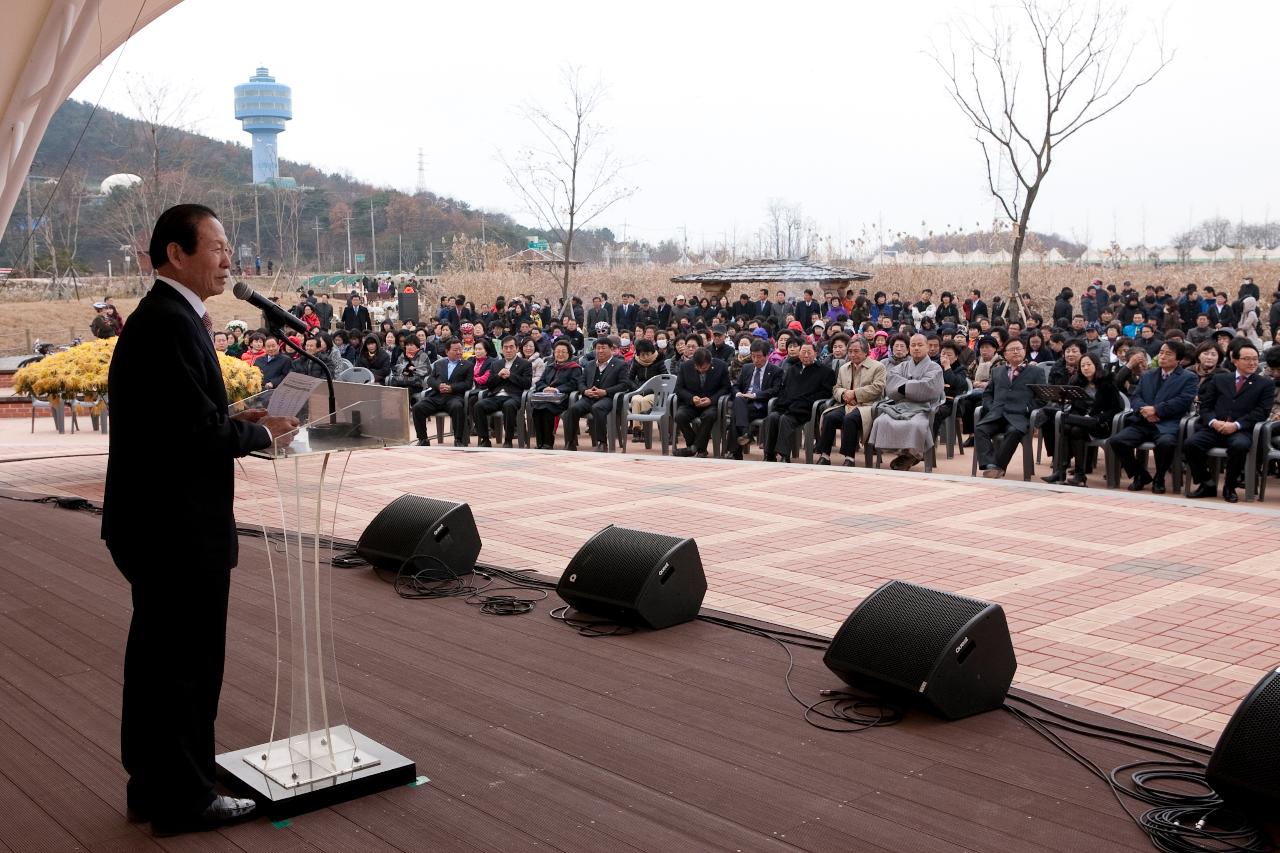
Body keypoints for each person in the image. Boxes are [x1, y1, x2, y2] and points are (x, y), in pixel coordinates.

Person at [102, 204, 298, 835]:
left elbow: (183, 415)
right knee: (186, 664)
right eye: (216, 246)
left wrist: (242, 419)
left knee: (157, 662)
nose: (227, 258)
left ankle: (153, 785)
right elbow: (190, 435)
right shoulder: (169, 323)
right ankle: (186, 798)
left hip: (155, 522)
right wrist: (259, 437)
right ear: (176, 254)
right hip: (176, 528)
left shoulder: (165, 318)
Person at [1184, 343, 1276, 502]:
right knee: (1191, 444)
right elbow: (1206, 406)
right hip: (1215, 427)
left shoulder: (1265, 384)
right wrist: (1213, 422)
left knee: (1239, 446)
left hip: (1242, 430)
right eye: (1247, 359)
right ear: (1235, 361)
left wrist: (1236, 425)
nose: (1252, 363)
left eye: (1255, 359)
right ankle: (1207, 483)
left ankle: (1230, 486)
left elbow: (1261, 412)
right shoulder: (1220, 379)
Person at [1107, 342, 1197, 493]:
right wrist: (1144, 411)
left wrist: (1156, 410)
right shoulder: (1149, 374)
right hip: (1143, 422)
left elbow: (1183, 401)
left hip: (1168, 423)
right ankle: (1140, 475)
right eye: (1161, 352)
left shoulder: (1189, 377)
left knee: (1166, 443)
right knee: (1117, 441)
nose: (1162, 356)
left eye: (1168, 354)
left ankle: (1159, 477)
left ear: (1179, 359)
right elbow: (1136, 397)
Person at [1041, 353, 1124, 487]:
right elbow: (1075, 406)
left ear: (1096, 365)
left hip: (1100, 424)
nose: (1085, 368)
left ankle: (1073, 474)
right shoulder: (1077, 382)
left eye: (1089, 364)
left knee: (1069, 424)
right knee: (1069, 428)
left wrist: (1097, 417)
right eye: (1083, 365)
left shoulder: (1107, 383)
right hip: (1080, 422)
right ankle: (1065, 473)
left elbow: (1117, 408)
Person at [867, 333, 945, 470]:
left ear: (927, 347)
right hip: (900, 406)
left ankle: (911, 455)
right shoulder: (902, 366)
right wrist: (913, 385)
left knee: (916, 425)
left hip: (923, 407)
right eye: (913, 345)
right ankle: (905, 455)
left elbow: (928, 387)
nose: (916, 348)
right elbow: (891, 383)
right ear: (909, 348)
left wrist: (904, 386)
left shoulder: (935, 368)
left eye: (920, 345)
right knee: (882, 421)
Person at [974, 338, 1047, 478]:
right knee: (980, 429)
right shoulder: (997, 371)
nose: (1015, 352)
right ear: (1005, 354)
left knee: (1013, 432)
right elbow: (987, 394)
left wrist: (1026, 409)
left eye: (1018, 349)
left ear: (1024, 351)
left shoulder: (1036, 372)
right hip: (997, 414)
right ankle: (990, 465)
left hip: (1019, 417)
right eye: (1011, 350)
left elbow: (1042, 399)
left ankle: (998, 466)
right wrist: (991, 407)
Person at [814, 337, 886, 466]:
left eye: (856, 351)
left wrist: (855, 394)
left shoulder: (878, 367)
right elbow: (836, 388)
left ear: (865, 352)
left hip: (867, 406)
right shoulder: (844, 368)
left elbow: (878, 388)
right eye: (850, 351)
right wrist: (843, 394)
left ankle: (849, 458)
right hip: (846, 404)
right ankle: (825, 455)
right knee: (829, 417)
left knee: (850, 419)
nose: (852, 354)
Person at [564, 337, 630, 451]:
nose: (600, 351)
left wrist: (605, 392)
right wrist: (585, 391)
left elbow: (624, 385)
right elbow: (581, 381)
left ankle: (602, 443)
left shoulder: (620, 364)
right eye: (598, 348)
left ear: (611, 349)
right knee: (572, 409)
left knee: (597, 408)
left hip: (609, 398)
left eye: (603, 348)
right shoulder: (590, 365)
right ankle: (570, 442)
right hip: (589, 397)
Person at [727, 339, 783, 459]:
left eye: (759, 357)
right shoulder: (747, 368)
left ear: (767, 355)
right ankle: (746, 433)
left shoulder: (775, 371)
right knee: (738, 401)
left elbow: (775, 390)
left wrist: (755, 395)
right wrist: (738, 393)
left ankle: (735, 452)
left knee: (735, 415)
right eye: (753, 356)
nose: (756, 360)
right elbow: (736, 385)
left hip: (762, 405)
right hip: (744, 402)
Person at [411, 339, 474, 446]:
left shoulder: (467, 365)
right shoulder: (439, 364)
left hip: (454, 397)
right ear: (447, 351)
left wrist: (451, 388)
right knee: (417, 408)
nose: (459, 352)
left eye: (460, 349)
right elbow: (430, 380)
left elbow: (468, 384)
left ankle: (458, 439)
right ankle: (423, 439)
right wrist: (438, 386)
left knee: (457, 407)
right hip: (436, 396)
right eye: (455, 350)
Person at [473, 336, 533, 447]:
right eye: (505, 347)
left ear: (517, 348)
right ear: (501, 349)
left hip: (513, 397)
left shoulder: (525, 364)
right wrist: (498, 376)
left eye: (511, 347)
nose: (508, 350)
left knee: (508, 406)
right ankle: (485, 439)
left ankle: (508, 440)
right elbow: (489, 384)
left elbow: (527, 383)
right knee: (478, 405)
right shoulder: (496, 364)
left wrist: (511, 375)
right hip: (496, 396)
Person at [673, 347, 730, 457]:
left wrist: (711, 400)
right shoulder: (685, 366)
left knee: (709, 416)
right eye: (697, 367)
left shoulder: (721, 366)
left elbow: (726, 388)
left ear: (710, 362)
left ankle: (693, 449)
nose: (700, 370)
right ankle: (698, 447)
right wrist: (691, 398)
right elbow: (678, 389)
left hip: (711, 404)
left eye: (704, 368)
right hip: (692, 404)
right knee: (679, 416)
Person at [530, 339, 583, 449]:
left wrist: (557, 390)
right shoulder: (550, 366)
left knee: (546, 408)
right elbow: (540, 381)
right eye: (557, 351)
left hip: (564, 399)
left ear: (569, 354)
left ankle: (548, 443)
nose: (560, 354)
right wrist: (545, 388)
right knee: (536, 409)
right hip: (546, 397)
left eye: (563, 351)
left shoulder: (574, 368)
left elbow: (574, 384)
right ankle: (540, 442)